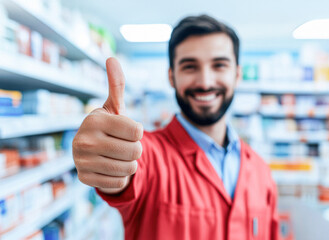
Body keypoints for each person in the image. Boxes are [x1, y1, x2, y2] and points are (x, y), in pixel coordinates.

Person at [73, 15, 280, 240]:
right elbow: (129, 173)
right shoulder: (148, 154)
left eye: (219, 65)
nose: (205, 81)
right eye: (190, 66)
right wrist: (107, 155)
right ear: (171, 76)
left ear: (237, 74)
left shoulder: (261, 172)